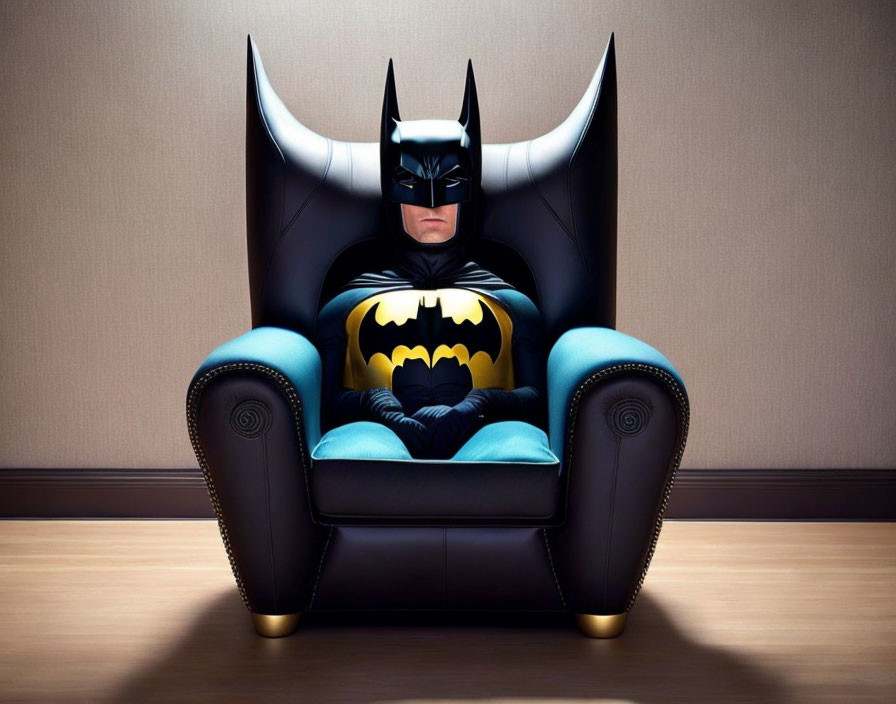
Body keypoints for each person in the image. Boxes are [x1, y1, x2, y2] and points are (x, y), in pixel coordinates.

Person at [316, 60, 544, 459]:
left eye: (451, 181)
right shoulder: (347, 305)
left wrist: (482, 404)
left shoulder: (511, 305)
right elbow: (321, 403)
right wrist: (371, 404)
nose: (432, 201)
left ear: (469, 190)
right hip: (378, 442)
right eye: (411, 181)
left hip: (484, 439)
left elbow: (540, 399)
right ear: (391, 190)